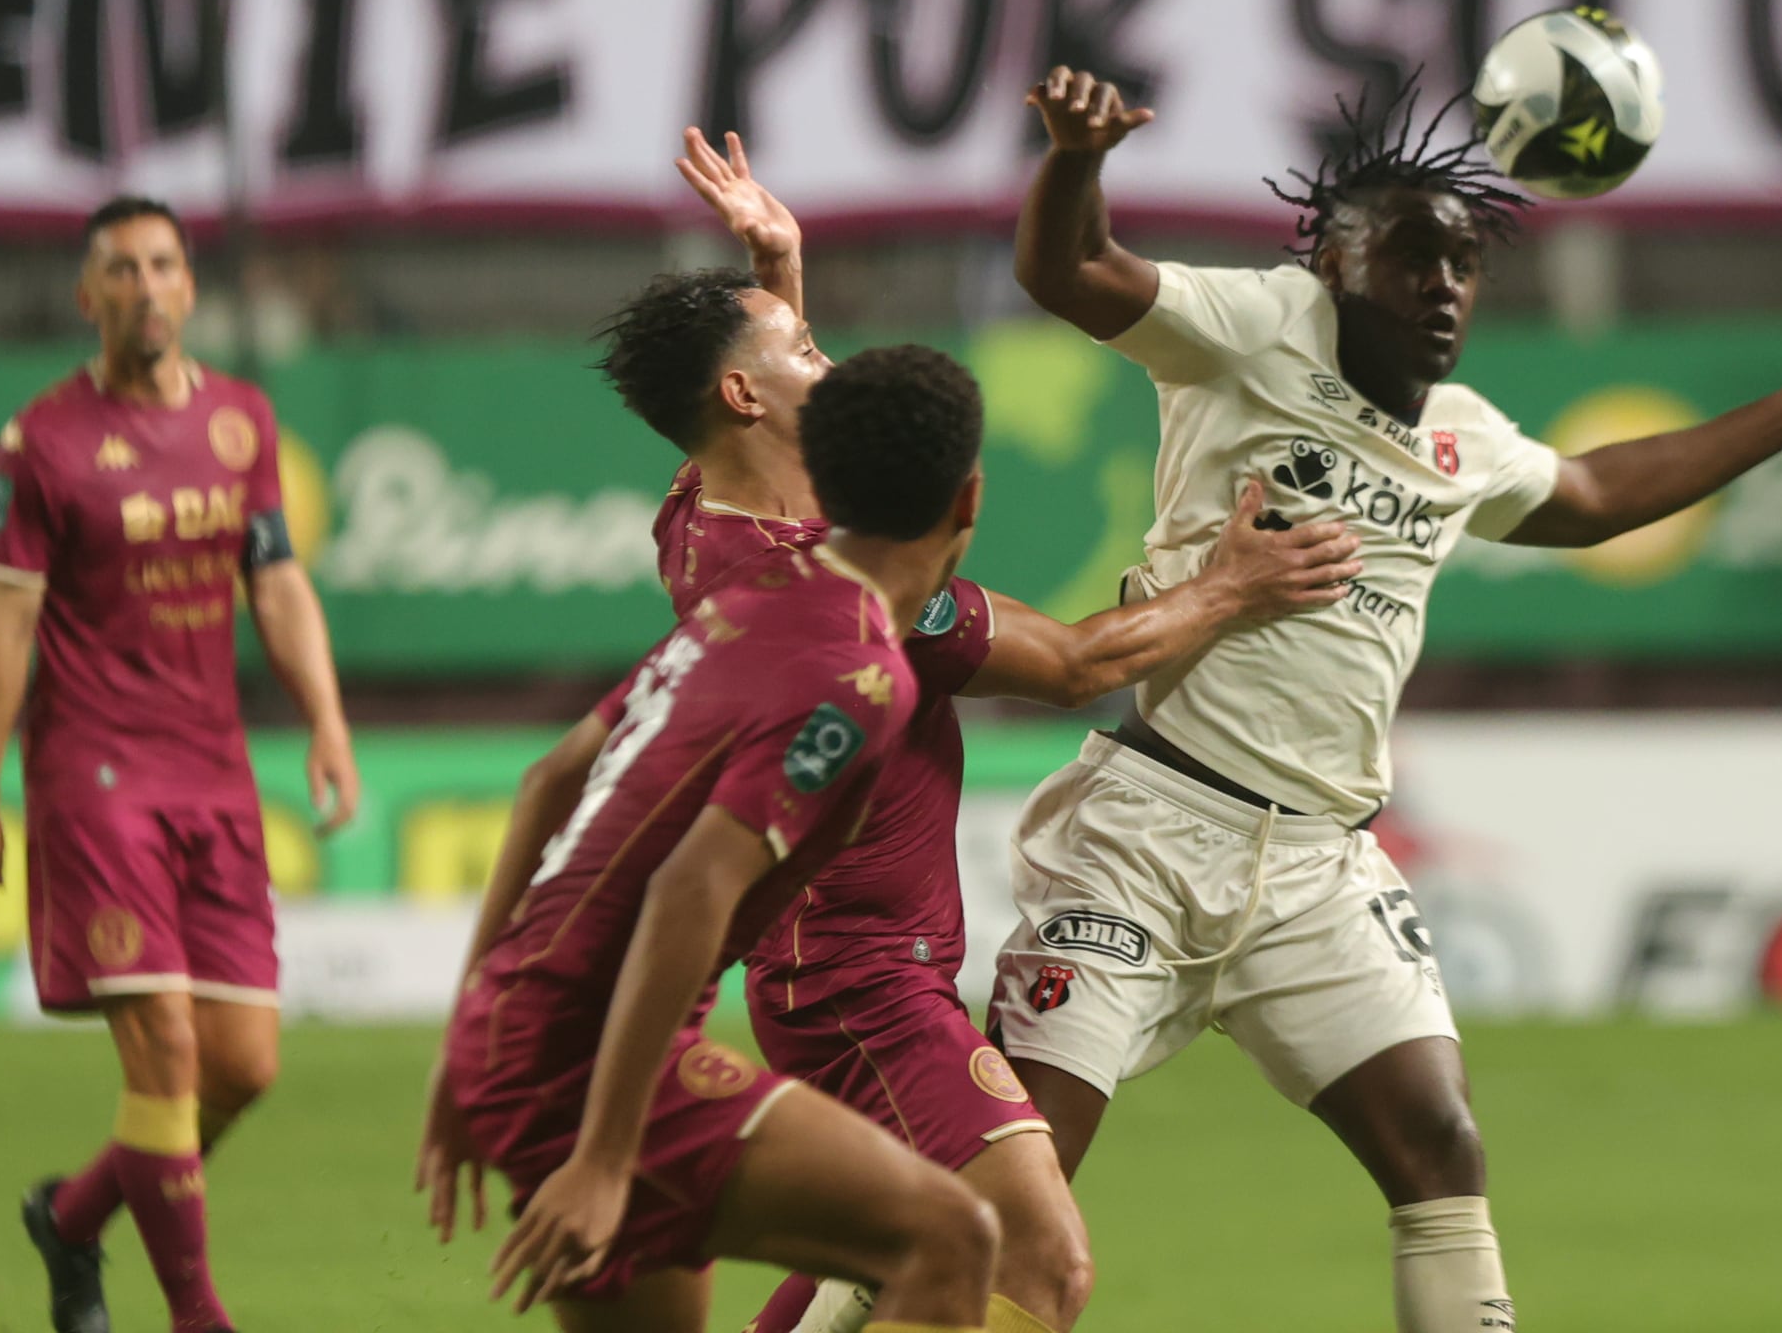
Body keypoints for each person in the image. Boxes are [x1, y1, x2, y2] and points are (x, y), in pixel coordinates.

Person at [419, 130, 1360, 1333]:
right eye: (808, 349)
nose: (833, 362)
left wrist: (777, 273)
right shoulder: (851, 644)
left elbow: (556, 772)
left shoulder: (704, 526)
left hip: (589, 1015)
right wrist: (1237, 585)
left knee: (907, 1250)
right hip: (845, 971)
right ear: (964, 503)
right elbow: (1078, 660)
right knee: (1021, 1254)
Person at [993, 65, 1782, 1333]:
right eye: (1411, 260)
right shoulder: (1253, 328)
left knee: (1441, 1149)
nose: (1444, 287)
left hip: (1318, 865)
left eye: (1464, 263)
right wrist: (1076, 162)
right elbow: (1067, 276)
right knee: (1006, 1184)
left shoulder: (1459, 435)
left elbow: (1590, 497)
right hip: (1146, 836)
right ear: (1333, 267)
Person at [427, 345, 1008, 1331]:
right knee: (952, 1240)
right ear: (969, 500)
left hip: (522, 1031)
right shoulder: (863, 675)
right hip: (598, 1064)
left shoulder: (745, 600)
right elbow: (689, 888)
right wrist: (608, 1156)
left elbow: (547, 781)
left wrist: (465, 1049)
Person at [0, 196, 361, 1333]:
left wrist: (325, 717)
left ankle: (71, 1218)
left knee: (244, 1064)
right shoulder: (40, 444)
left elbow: (274, 581)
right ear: (89, 297)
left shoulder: (241, 420)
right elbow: (7, 629)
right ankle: (198, 1316)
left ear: (189, 285)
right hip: (93, 778)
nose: (144, 286)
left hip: (214, 774)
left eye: (163, 264)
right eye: (119, 269)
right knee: (167, 1044)